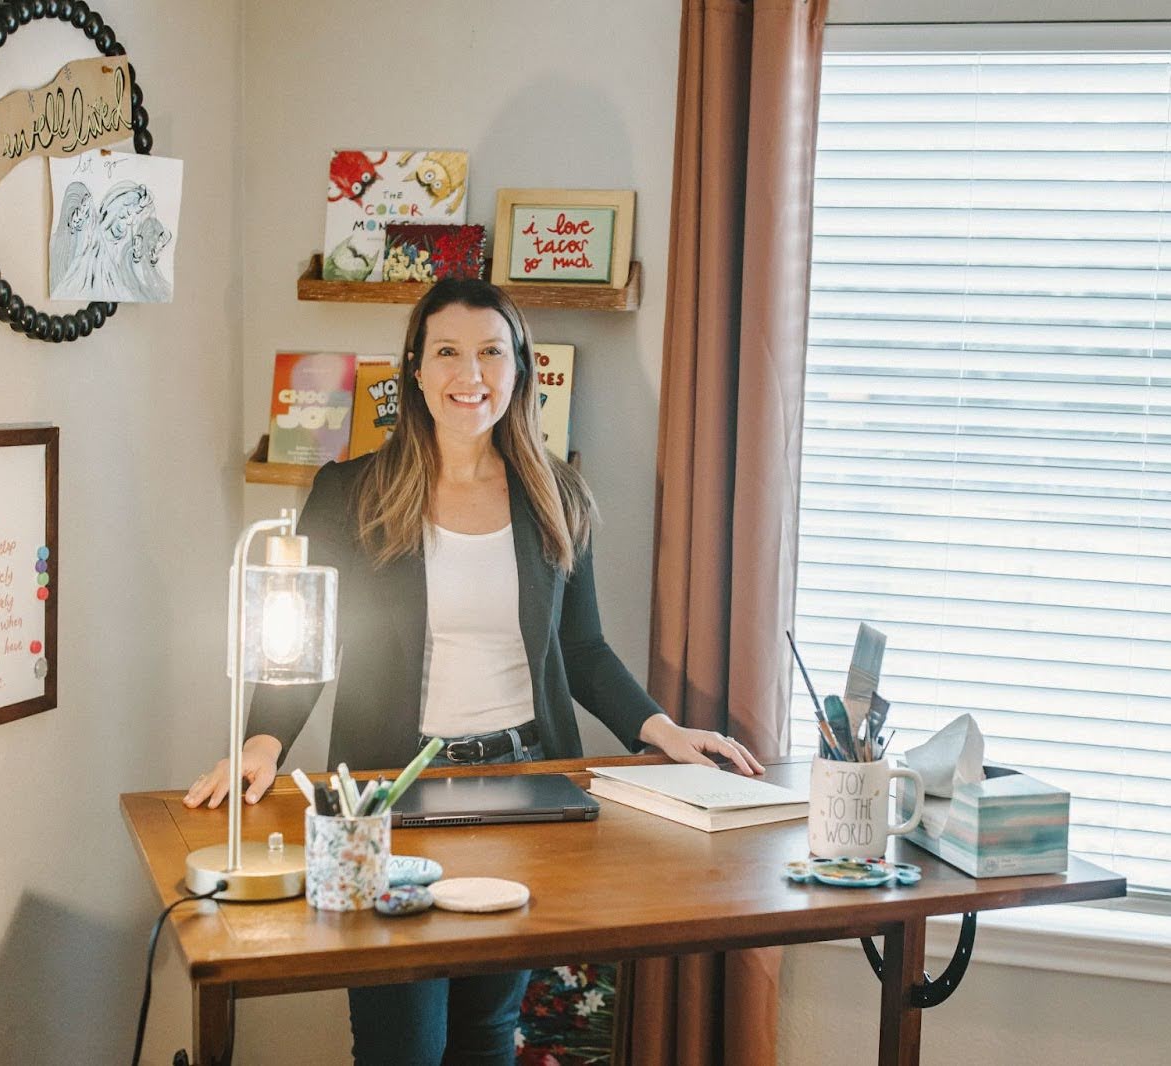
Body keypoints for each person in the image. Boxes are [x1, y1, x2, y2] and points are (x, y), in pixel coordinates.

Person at [182, 278, 763, 1066]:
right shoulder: (349, 493)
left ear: (519, 369)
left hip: (528, 788)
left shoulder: (556, 494)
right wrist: (261, 742)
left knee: (489, 1036)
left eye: (492, 352)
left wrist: (662, 730)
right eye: (448, 352)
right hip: (390, 798)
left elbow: (582, 649)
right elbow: (309, 642)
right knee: (400, 1044)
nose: (471, 374)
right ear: (415, 371)